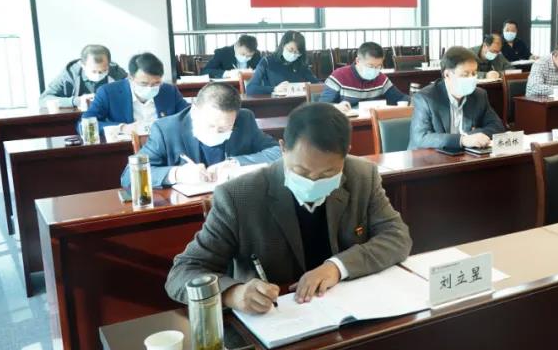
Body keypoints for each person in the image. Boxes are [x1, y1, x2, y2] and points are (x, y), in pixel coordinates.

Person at [165, 102, 412, 312]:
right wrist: (233, 294)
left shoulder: (362, 175)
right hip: (275, 318)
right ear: (283, 148)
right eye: (301, 171)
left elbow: (397, 236)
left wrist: (337, 267)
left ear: (345, 153)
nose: (313, 181)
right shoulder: (239, 196)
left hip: (346, 310)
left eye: (327, 174)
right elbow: (182, 272)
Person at [120, 82, 281, 189]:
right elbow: (129, 176)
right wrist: (177, 174)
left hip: (235, 201)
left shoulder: (244, 119)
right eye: (210, 125)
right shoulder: (166, 129)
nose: (215, 133)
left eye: (224, 129)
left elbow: (279, 152)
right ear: (194, 110)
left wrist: (236, 163)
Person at [408, 46, 506, 152]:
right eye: (465, 74)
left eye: (474, 73)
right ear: (447, 75)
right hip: (427, 158)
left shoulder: (479, 95)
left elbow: (497, 126)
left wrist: (469, 137)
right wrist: (461, 140)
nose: (471, 78)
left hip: (463, 157)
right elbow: (421, 137)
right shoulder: (426, 98)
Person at [80, 52, 188, 134]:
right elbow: (83, 124)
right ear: (130, 78)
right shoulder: (108, 92)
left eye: (156, 83)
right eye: (144, 83)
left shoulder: (169, 91)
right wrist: (122, 128)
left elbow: (189, 115)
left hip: (165, 146)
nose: (150, 88)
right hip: (126, 148)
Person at [319, 42, 407, 107]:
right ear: (358, 61)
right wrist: (337, 107)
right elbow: (322, 106)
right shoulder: (339, 76)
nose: (374, 70)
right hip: (344, 124)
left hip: (371, 123)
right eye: (370, 66)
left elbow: (400, 98)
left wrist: (413, 100)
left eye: (378, 66)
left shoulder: (381, 79)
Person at [40, 44, 126, 108]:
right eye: (94, 71)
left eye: (103, 71)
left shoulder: (116, 72)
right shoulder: (70, 74)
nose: (98, 75)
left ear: (109, 64)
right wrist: (76, 101)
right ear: (82, 65)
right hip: (76, 118)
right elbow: (43, 100)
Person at [245, 31, 320, 95]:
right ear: (283, 45)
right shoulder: (267, 62)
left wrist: (308, 87)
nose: (293, 55)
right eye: (291, 50)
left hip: (299, 103)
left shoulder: (300, 63)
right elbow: (250, 89)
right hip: (275, 103)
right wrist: (274, 89)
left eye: (297, 53)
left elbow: (317, 85)